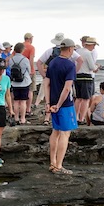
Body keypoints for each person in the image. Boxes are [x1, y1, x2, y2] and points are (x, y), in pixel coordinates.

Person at [45, 38, 77, 174]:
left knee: (55, 131)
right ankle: (59, 165)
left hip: (52, 102)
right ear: (70, 49)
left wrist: (48, 103)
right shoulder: (70, 65)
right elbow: (67, 88)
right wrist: (59, 104)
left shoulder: (52, 63)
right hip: (64, 104)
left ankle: (52, 162)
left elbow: (46, 83)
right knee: (65, 133)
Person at [74, 37, 98, 123]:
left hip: (77, 76)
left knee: (78, 98)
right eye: (94, 45)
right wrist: (97, 67)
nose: (94, 47)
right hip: (86, 77)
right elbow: (92, 67)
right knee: (86, 99)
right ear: (90, 44)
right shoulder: (88, 53)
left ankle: (76, 117)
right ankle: (81, 118)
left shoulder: (78, 51)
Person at [7, 42, 32, 125]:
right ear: (22, 50)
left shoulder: (11, 59)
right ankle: (23, 119)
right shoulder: (25, 60)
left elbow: (10, 69)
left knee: (16, 101)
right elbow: (29, 70)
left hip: (14, 82)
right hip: (24, 82)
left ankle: (16, 118)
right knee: (23, 101)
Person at [22, 33, 36, 115]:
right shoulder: (31, 47)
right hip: (29, 70)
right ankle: (28, 108)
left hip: (21, 71)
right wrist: (31, 70)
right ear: (30, 38)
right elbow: (31, 59)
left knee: (22, 89)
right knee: (30, 90)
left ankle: (21, 108)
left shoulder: (20, 46)